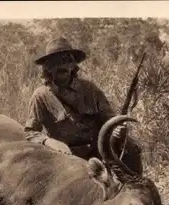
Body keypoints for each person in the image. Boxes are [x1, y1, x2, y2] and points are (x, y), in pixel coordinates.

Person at [24, 37, 143, 174]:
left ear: (73, 65)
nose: (61, 65)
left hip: (97, 150)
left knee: (131, 148)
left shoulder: (90, 89)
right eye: (55, 62)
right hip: (66, 155)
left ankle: (135, 190)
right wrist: (48, 142)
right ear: (48, 68)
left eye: (66, 60)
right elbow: (30, 133)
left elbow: (108, 118)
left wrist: (116, 130)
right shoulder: (41, 96)